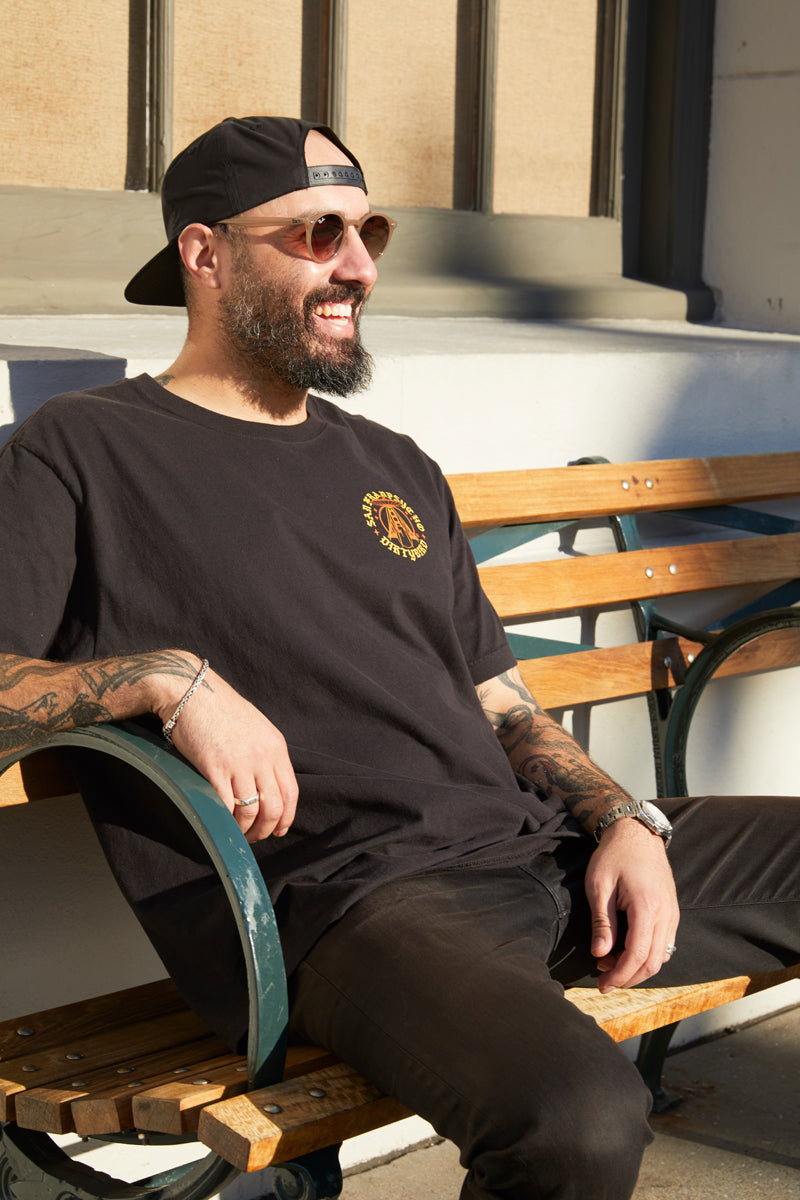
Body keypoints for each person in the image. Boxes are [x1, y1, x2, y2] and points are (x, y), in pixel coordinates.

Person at [0, 116, 797, 1200]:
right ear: (205, 251)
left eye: (367, 229)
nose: (359, 265)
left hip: (535, 851)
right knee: (576, 1120)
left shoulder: (392, 462)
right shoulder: (86, 449)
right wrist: (161, 676)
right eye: (318, 232)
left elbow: (503, 707)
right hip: (356, 904)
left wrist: (619, 819)